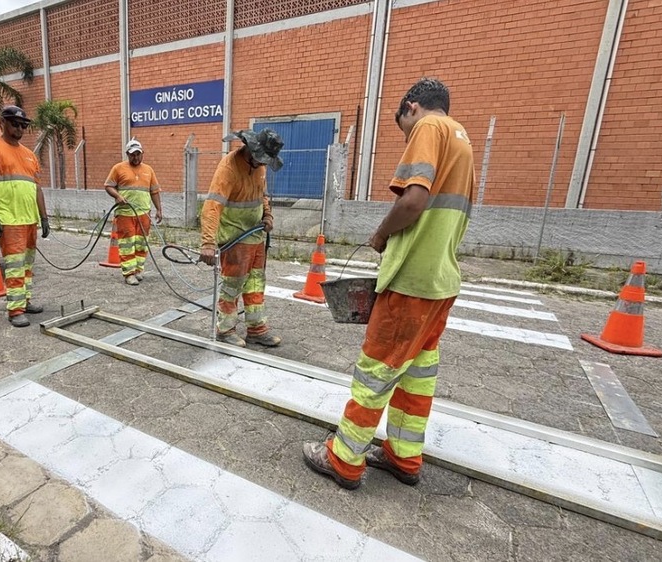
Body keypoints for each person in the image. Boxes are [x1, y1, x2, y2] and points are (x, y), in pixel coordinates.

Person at [302, 77, 475, 489]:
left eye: (402, 126)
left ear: (411, 107)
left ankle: (343, 459)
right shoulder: (463, 140)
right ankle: (403, 455)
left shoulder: (429, 128)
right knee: (417, 375)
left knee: (375, 373)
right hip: (441, 280)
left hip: (412, 280)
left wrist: (380, 235)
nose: (406, 135)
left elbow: (413, 200)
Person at [199, 129, 284, 348]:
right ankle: (225, 330)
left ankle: (257, 329)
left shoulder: (259, 166)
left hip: (255, 236)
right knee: (232, 285)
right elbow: (212, 205)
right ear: (251, 148)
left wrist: (267, 214)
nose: (262, 163)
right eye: (260, 158)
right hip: (235, 237)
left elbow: (261, 194)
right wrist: (208, 242)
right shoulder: (228, 168)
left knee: (256, 283)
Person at [0, 105, 50, 328]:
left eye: (22, 125)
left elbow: (36, 188)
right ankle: (15, 310)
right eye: (15, 124)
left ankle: (24, 301)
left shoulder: (28, 155)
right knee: (15, 266)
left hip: (29, 219)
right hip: (9, 219)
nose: (19, 128)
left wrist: (43, 217)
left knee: (26, 265)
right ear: (3, 122)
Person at [103, 139, 164, 285]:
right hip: (125, 213)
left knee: (141, 243)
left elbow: (154, 191)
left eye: (138, 154)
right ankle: (129, 273)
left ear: (142, 154)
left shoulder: (149, 170)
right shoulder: (118, 168)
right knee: (127, 243)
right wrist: (117, 196)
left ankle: (138, 269)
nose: (135, 157)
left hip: (144, 213)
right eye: (132, 155)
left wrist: (159, 209)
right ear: (127, 155)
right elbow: (108, 186)